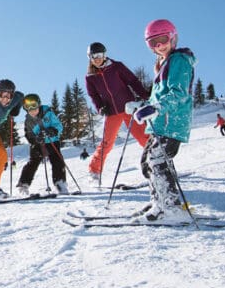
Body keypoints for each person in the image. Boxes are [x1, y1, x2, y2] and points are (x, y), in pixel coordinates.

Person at [132, 19, 196, 222]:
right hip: (159, 124)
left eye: (162, 40)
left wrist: (156, 107)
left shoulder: (179, 60)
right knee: (146, 163)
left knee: (158, 160)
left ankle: (170, 207)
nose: (159, 46)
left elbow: (178, 93)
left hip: (173, 121)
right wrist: (142, 105)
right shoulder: (162, 64)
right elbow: (157, 96)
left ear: (173, 37)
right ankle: (159, 201)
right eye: (153, 43)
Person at [84, 41, 150, 185]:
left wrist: (144, 95)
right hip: (112, 112)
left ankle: (159, 164)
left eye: (100, 55)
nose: (97, 58)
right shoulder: (90, 77)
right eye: (93, 56)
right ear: (89, 58)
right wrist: (100, 107)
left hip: (129, 107)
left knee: (144, 137)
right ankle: (94, 171)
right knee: (106, 143)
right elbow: (94, 96)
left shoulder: (116, 67)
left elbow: (133, 81)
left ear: (105, 54)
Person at [16, 93, 68, 195]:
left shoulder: (48, 113)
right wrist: (36, 139)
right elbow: (28, 135)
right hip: (38, 144)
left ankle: (60, 182)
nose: (32, 110)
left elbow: (58, 126)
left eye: (34, 106)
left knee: (57, 160)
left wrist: (52, 130)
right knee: (33, 162)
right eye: (28, 107)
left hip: (52, 141)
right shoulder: (28, 121)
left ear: (39, 105)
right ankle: (23, 184)